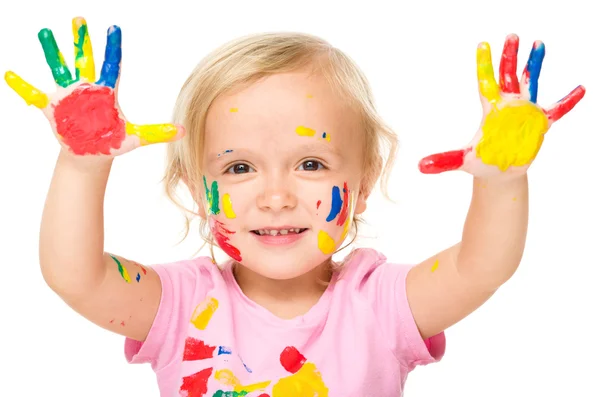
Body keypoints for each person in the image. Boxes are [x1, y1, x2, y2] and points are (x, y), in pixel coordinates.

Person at [4, 16, 585, 396]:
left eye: (311, 164)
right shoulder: (179, 305)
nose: (277, 196)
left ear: (362, 181)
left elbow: (483, 267)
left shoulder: (377, 305)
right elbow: (74, 276)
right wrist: (84, 164)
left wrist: (503, 182)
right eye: (238, 167)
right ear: (191, 184)